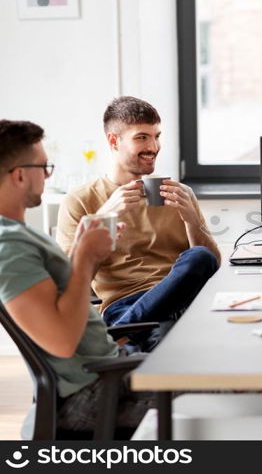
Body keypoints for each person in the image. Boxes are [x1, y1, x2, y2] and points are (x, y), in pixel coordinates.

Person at [0, 120, 153, 434]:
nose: (47, 175)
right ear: (19, 175)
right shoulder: (9, 248)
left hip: (111, 370)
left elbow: (58, 298)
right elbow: (60, 342)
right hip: (94, 392)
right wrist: (84, 258)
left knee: (218, 373)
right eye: (44, 167)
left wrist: (81, 252)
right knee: (233, 386)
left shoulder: (22, 235)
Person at [56, 96, 220, 351]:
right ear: (114, 141)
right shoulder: (80, 200)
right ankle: (129, 335)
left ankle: (119, 336)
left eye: (157, 136)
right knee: (164, 335)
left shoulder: (178, 194)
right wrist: (105, 216)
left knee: (199, 257)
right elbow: (70, 279)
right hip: (125, 304)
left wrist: (192, 220)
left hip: (181, 298)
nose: (153, 146)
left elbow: (212, 265)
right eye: (142, 137)